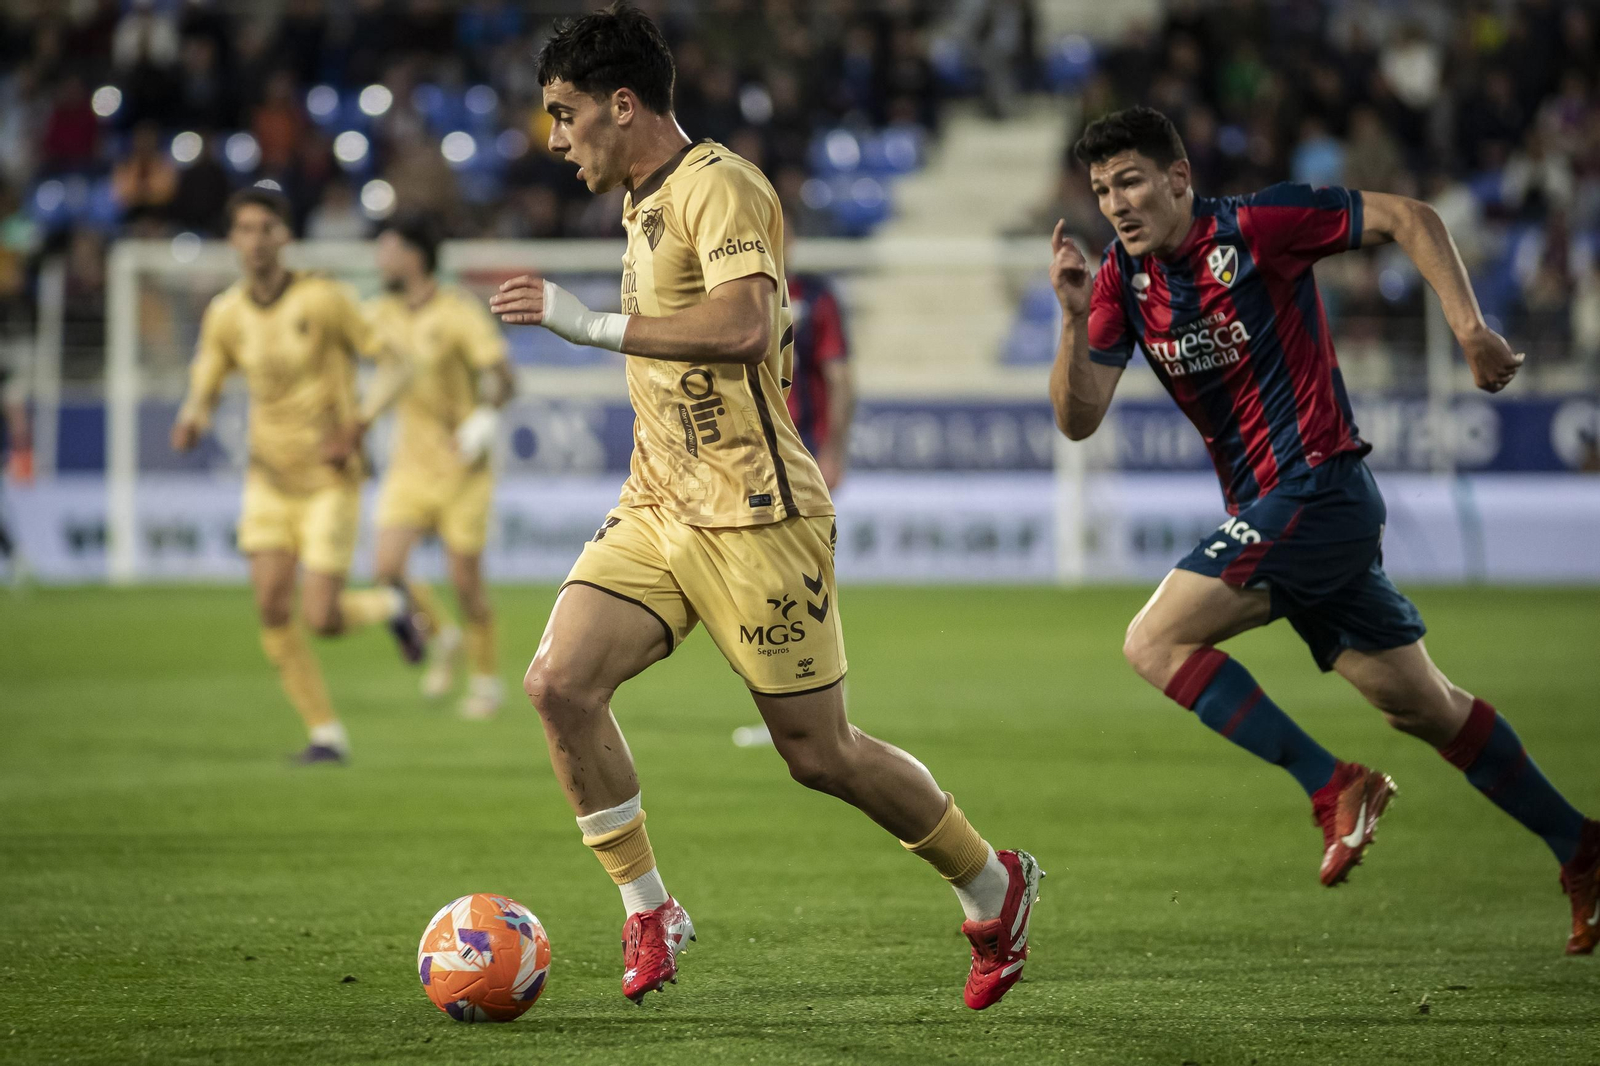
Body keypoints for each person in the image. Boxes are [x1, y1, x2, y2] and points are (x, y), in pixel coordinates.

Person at [488, 3, 1040, 1009]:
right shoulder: (639, 198)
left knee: (819, 754)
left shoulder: (723, 186)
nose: (555, 138)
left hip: (756, 512)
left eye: (565, 114)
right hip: (659, 502)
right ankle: (649, 905)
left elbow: (747, 324)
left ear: (623, 103)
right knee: (558, 684)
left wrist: (591, 325)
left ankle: (992, 885)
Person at [1050, 106, 1599, 954]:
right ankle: (1582, 845)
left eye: (1129, 181)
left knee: (1151, 642)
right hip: (1280, 516)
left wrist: (1468, 330)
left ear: (1177, 179)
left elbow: (1411, 218)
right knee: (1419, 705)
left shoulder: (1259, 226)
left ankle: (1331, 786)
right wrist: (1070, 317)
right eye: (1100, 190)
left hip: (1319, 489)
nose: (1116, 204)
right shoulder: (1124, 283)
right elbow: (1080, 421)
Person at [170, 186, 425, 765]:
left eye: (267, 228)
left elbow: (398, 363)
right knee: (270, 606)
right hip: (268, 479)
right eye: (245, 230)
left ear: (284, 235)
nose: (256, 241)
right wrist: (192, 419)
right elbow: (206, 377)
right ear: (232, 239)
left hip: (331, 478)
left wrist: (358, 423)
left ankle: (390, 608)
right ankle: (325, 734)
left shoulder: (324, 298)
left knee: (322, 617)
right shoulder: (226, 314)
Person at [367, 215, 515, 719]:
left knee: (467, 583)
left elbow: (502, 377)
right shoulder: (380, 313)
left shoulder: (457, 312)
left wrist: (485, 417)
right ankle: (444, 634)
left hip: (461, 468)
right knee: (386, 569)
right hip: (409, 465)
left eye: (386, 249)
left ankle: (487, 682)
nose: (379, 260)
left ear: (413, 255)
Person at [783, 212, 855, 490]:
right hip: (749, 450)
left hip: (805, 446)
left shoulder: (815, 298)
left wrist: (833, 451)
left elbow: (839, 378)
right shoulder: (731, 301)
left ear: (791, 241)